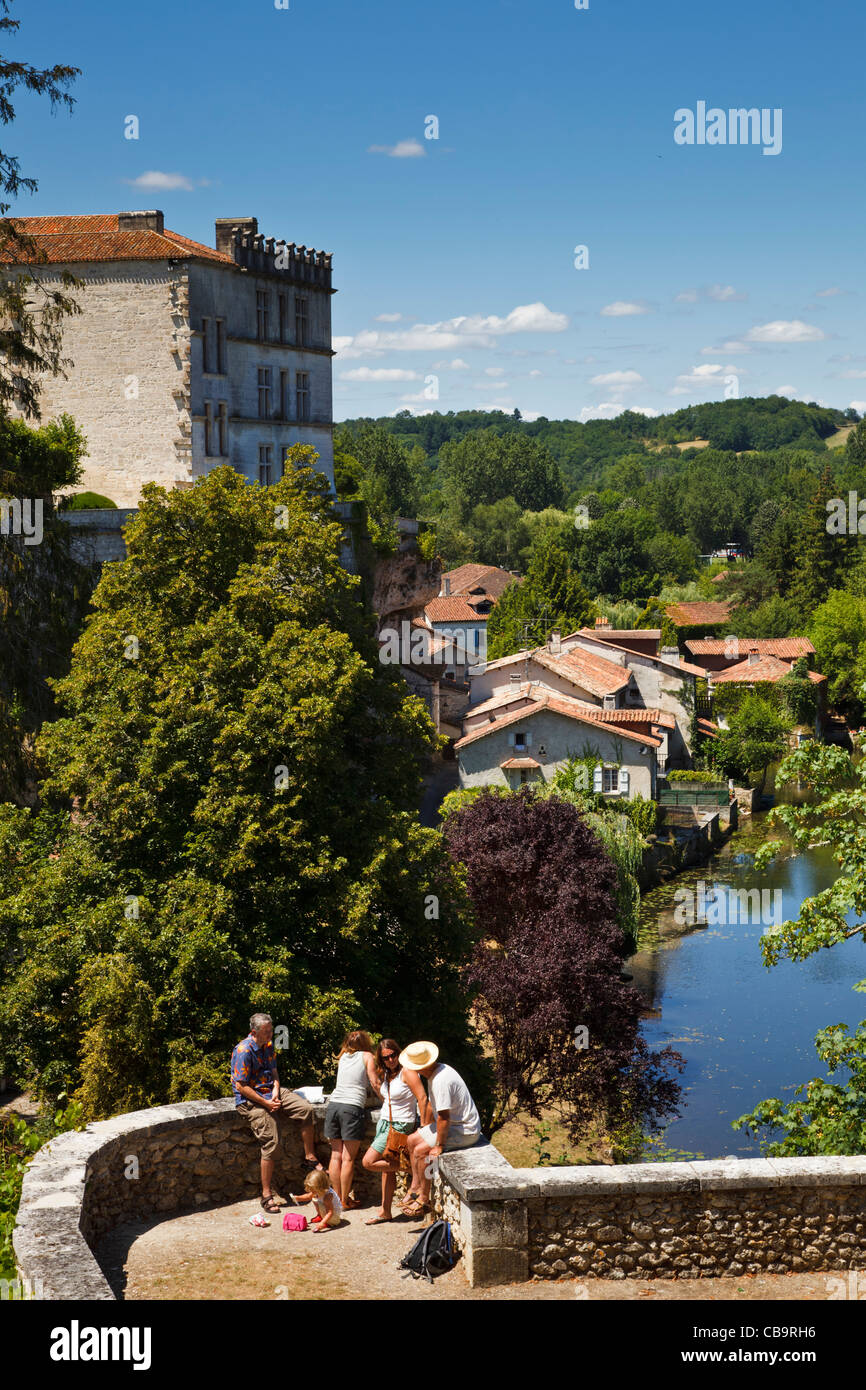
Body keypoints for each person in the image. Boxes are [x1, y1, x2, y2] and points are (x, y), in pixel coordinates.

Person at [231, 1012, 322, 1214]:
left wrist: (275, 1090)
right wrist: (266, 1102)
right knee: (272, 1141)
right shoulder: (244, 1051)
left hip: (270, 1091)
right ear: (255, 1032)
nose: (271, 1034)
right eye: (267, 1031)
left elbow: (274, 1072)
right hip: (251, 1099)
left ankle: (309, 1157)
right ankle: (266, 1194)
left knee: (305, 1110)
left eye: (271, 1029)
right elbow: (241, 1086)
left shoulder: (269, 1045)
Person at [401, 1041, 481, 1217]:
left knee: (422, 1151)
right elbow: (432, 1106)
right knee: (411, 1140)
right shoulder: (437, 1072)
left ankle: (423, 1199)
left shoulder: (440, 1080)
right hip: (455, 1125)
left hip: (464, 1130)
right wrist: (425, 1128)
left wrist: (438, 1145)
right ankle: (415, 1187)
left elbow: (444, 1118)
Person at [361, 1037, 430, 1225]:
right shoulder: (386, 1075)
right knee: (387, 1169)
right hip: (385, 1123)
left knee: (368, 1161)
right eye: (386, 1058)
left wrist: (423, 1127)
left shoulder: (407, 1072)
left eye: (393, 1055)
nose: (390, 1060)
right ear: (381, 1059)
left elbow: (423, 1098)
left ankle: (410, 1169)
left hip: (401, 1125)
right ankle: (385, 1211)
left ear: (399, 1054)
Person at [324, 1030, 381, 1211]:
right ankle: (344, 1201)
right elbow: (374, 1082)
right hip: (352, 1107)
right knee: (348, 1159)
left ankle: (337, 1199)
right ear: (366, 1042)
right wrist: (387, 1100)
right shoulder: (367, 1056)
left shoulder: (343, 1058)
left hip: (334, 1105)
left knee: (335, 1156)